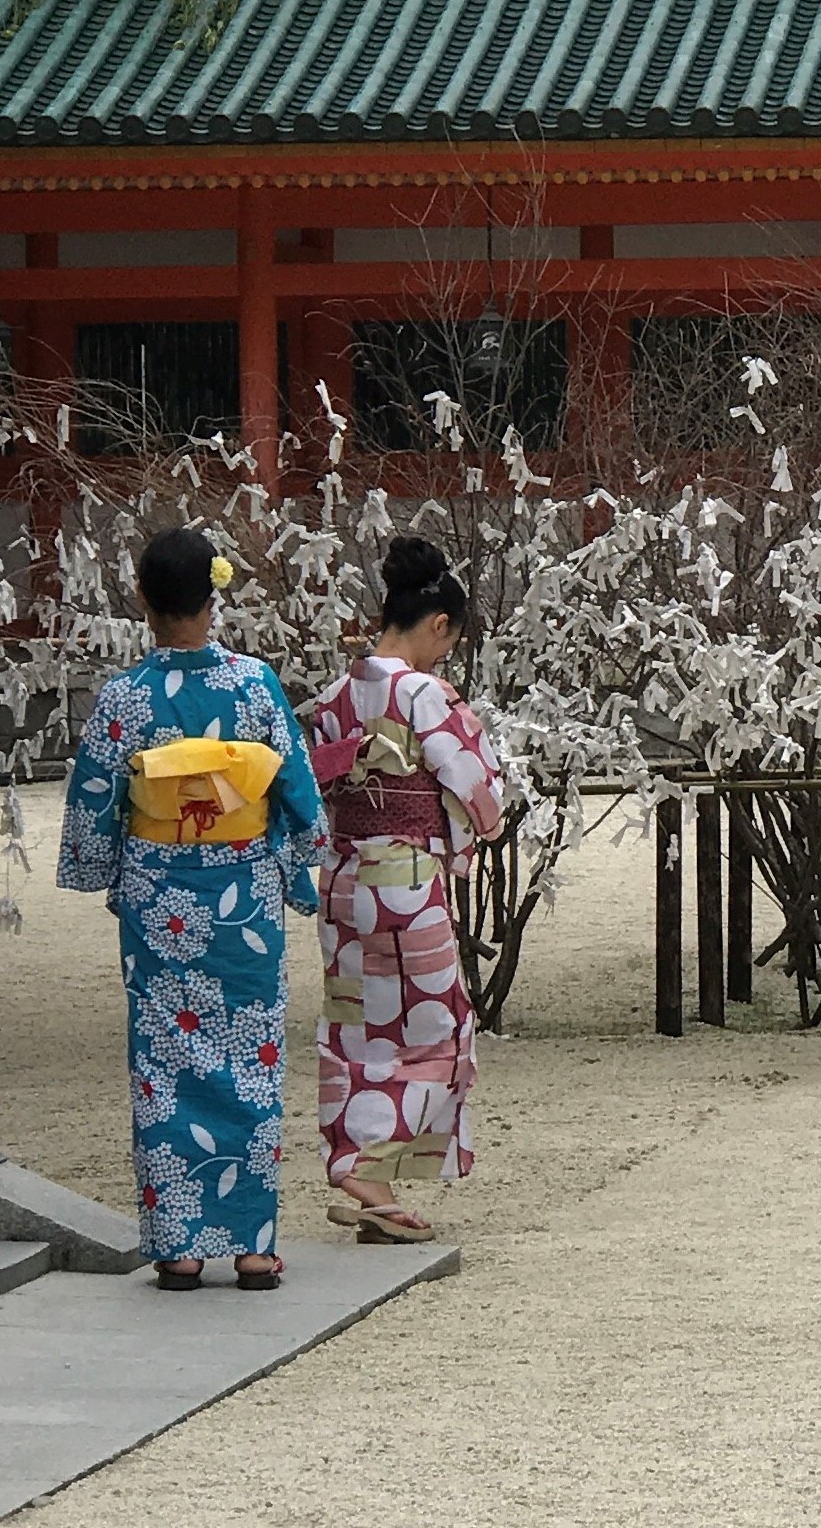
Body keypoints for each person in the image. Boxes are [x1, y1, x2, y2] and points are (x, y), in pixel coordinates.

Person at [57, 526, 325, 1291]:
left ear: (142, 599)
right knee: (252, 1058)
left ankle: (177, 1244)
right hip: (242, 901)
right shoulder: (255, 684)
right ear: (215, 597)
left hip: (160, 901)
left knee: (165, 1063)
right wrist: (296, 869)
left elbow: (95, 807)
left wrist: (109, 869)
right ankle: (254, 1245)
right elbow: (297, 794)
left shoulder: (125, 697)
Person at [309, 535, 505, 1243]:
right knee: (437, 1028)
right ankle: (365, 1164)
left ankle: (374, 1184)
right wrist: (471, 824)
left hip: (344, 880)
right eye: (445, 642)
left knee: (357, 1028)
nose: (441, 656)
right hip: (408, 884)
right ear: (437, 624)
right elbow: (480, 787)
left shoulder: (335, 695)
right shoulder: (421, 691)